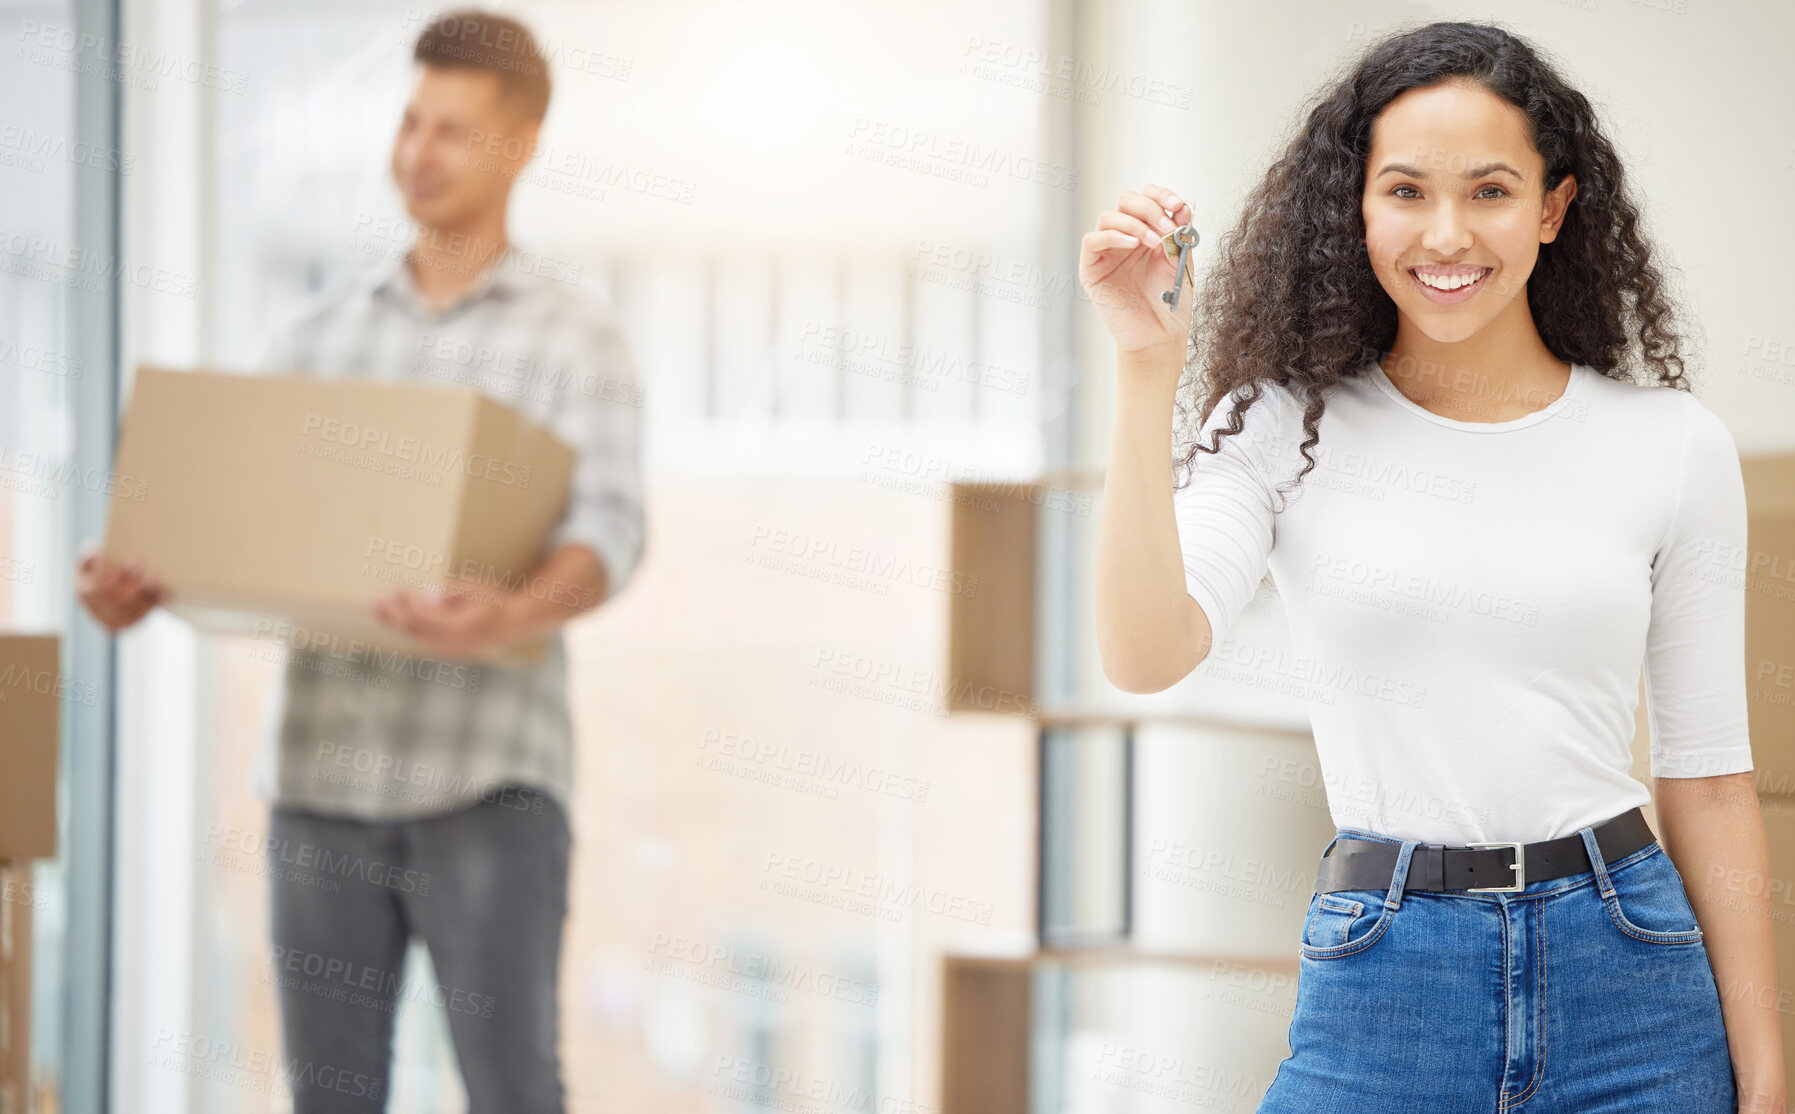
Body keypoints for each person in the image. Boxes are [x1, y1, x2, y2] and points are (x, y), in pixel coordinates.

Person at [1087, 20, 1785, 1114]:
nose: (1446, 233)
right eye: (1405, 191)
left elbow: (1706, 778)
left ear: (1552, 207)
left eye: (1491, 191)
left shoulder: (1672, 446)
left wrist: (1770, 1078)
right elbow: (1142, 651)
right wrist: (1144, 367)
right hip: (1386, 971)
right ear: (1354, 206)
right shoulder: (1279, 426)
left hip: (1631, 972)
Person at [75, 9, 644, 1111]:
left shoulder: (575, 336)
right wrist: (139, 576)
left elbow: (611, 527)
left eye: (453, 131)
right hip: (322, 784)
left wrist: (512, 608)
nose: (418, 155)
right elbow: (242, 520)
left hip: (488, 784)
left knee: (512, 1091)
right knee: (329, 1096)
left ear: (522, 143)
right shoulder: (318, 336)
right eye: (410, 123)